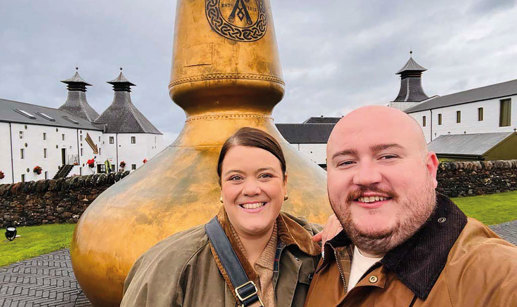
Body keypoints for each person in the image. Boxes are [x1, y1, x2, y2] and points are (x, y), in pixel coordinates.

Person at [304, 106, 517, 306]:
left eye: (388, 156)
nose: (366, 177)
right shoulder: (317, 256)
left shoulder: (497, 276)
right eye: (346, 162)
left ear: (430, 169)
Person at [122, 127, 328, 307]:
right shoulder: (167, 267)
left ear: (284, 184)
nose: (251, 189)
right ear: (221, 189)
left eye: (265, 175)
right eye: (236, 178)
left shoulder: (323, 249)